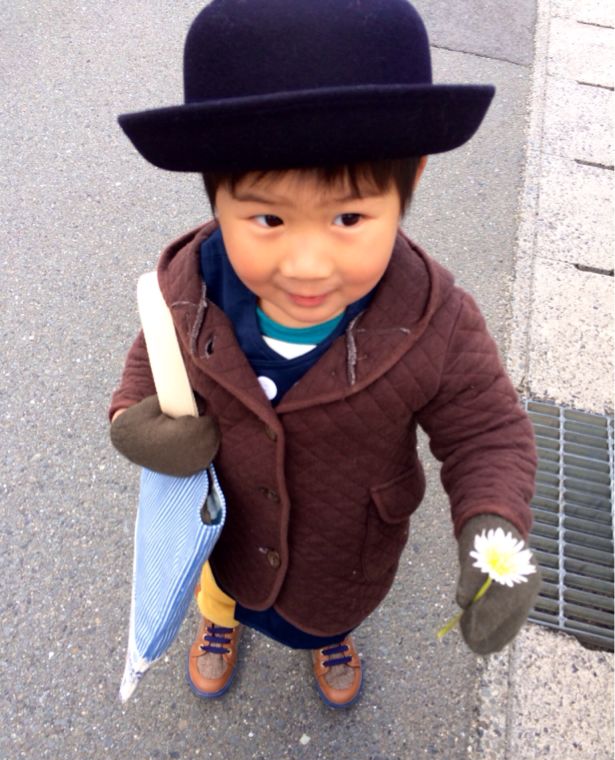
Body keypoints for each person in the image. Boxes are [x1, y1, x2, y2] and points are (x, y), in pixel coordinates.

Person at [109, 0, 540, 709]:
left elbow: (486, 430)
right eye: (267, 218)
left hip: (344, 554)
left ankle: (330, 636)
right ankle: (218, 622)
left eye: (348, 217)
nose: (307, 265)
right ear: (214, 193)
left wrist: (493, 522)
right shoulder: (186, 291)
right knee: (219, 587)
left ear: (411, 181)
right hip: (224, 532)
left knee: (327, 611)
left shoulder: (434, 320)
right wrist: (133, 421)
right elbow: (148, 363)